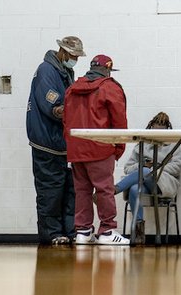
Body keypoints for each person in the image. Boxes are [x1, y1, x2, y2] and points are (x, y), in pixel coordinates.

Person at [63, 54, 128, 245]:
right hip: (101, 146)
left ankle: (83, 231)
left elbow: (65, 120)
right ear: (107, 69)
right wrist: (119, 146)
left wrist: (70, 145)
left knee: (81, 190)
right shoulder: (110, 87)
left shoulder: (72, 89)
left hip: (76, 148)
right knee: (104, 189)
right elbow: (119, 121)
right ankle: (107, 230)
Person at [27, 36, 85, 246]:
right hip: (46, 144)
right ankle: (51, 233)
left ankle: (69, 231)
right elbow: (54, 108)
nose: (75, 60)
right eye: (73, 56)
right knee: (50, 191)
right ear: (62, 51)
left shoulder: (64, 72)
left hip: (62, 145)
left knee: (69, 190)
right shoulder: (46, 71)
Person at [115, 112, 181, 246]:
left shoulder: (173, 144)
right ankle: (139, 233)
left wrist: (156, 168)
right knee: (135, 189)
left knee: (146, 171)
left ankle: (115, 189)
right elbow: (128, 168)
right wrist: (142, 166)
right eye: (155, 131)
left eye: (161, 132)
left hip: (164, 183)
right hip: (145, 183)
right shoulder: (142, 144)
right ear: (151, 127)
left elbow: (176, 167)